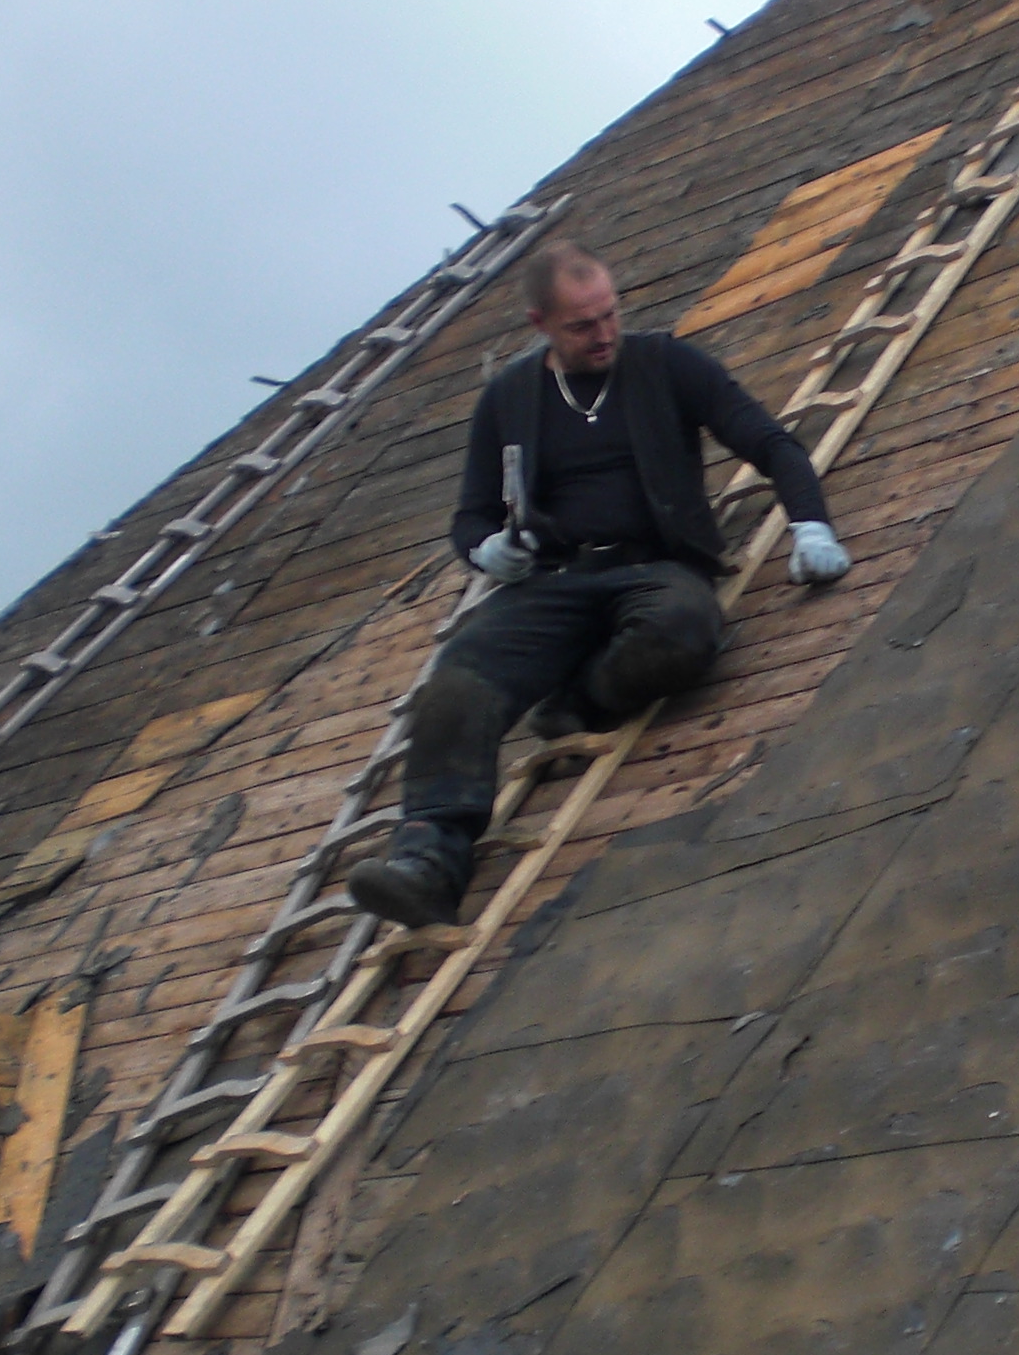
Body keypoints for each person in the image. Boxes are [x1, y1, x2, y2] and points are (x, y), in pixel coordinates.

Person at [344, 240, 849, 926]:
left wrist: (811, 526)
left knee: (683, 631)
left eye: (609, 314)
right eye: (582, 325)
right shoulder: (510, 399)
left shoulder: (665, 365)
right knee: (458, 676)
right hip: (555, 580)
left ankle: (578, 697)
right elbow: (470, 516)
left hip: (656, 567)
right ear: (540, 326)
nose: (604, 333)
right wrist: (486, 550)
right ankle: (431, 857)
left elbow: (770, 443)